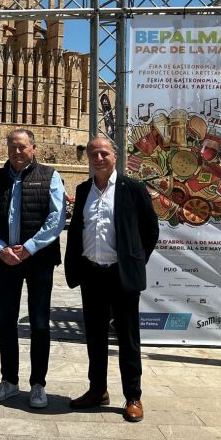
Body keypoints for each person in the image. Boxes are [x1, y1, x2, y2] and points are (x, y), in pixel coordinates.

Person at [63, 136, 159, 422]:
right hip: (92, 273)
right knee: (94, 336)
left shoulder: (133, 189)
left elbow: (150, 231)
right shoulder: (82, 190)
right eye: (94, 154)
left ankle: (133, 396)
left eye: (104, 153)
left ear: (115, 156)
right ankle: (97, 389)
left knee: (128, 338)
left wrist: (133, 261)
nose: (99, 158)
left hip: (121, 275)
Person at [0, 129, 66, 409]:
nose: (17, 152)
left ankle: (38, 384)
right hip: (5, 261)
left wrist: (29, 247)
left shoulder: (50, 176)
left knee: (40, 323)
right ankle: (9, 380)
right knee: (6, 320)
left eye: (23, 147)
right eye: (12, 147)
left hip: (38, 260)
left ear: (34, 148)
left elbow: (57, 217)